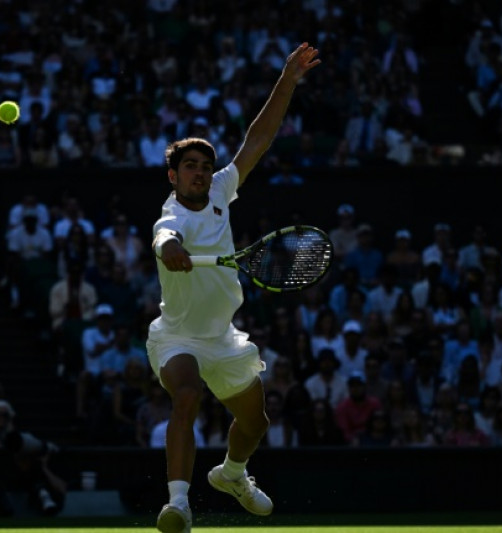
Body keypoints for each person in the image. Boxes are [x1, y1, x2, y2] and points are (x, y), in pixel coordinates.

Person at [146, 42, 320, 533]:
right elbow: (165, 235)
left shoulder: (223, 189)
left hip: (224, 338)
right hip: (177, 337)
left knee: (256, 423)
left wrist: (288, 78)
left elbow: (259, 137)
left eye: (205, 166)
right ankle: (179, 504)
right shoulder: (171, 215)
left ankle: (232, 474)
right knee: (185, 395)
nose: (200, 172)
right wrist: (170, 249)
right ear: (173, 175)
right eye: (190, 167)